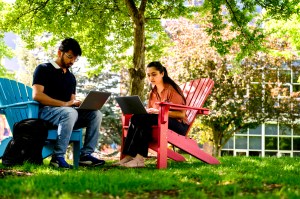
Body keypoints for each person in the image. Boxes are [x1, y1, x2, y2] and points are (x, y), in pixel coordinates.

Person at [32, 38, 105, 169]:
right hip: (46, 113)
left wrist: (78, 103)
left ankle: (85, 155)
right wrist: (64, 104)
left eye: (75, 59)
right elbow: (37, 95)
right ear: (60, 53)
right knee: (69, 112)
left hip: (67, 114)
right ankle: (57, 158)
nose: (72, 61)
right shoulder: (43, 68)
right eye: (70, 57)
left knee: (96, 114)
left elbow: (71, 100)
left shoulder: (71, 77)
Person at [116, 61, 189, 168]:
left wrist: (159, 112)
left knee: (143, 119)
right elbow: (152, 112)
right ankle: (129, 156)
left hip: (178, 125)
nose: (151, 78)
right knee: (135, 117)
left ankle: (139, 160)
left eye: (154, 74)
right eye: (149, 75)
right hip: (160, 121)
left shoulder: (172, 90)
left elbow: (181, 115)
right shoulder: (153, 92)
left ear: (162, 73)